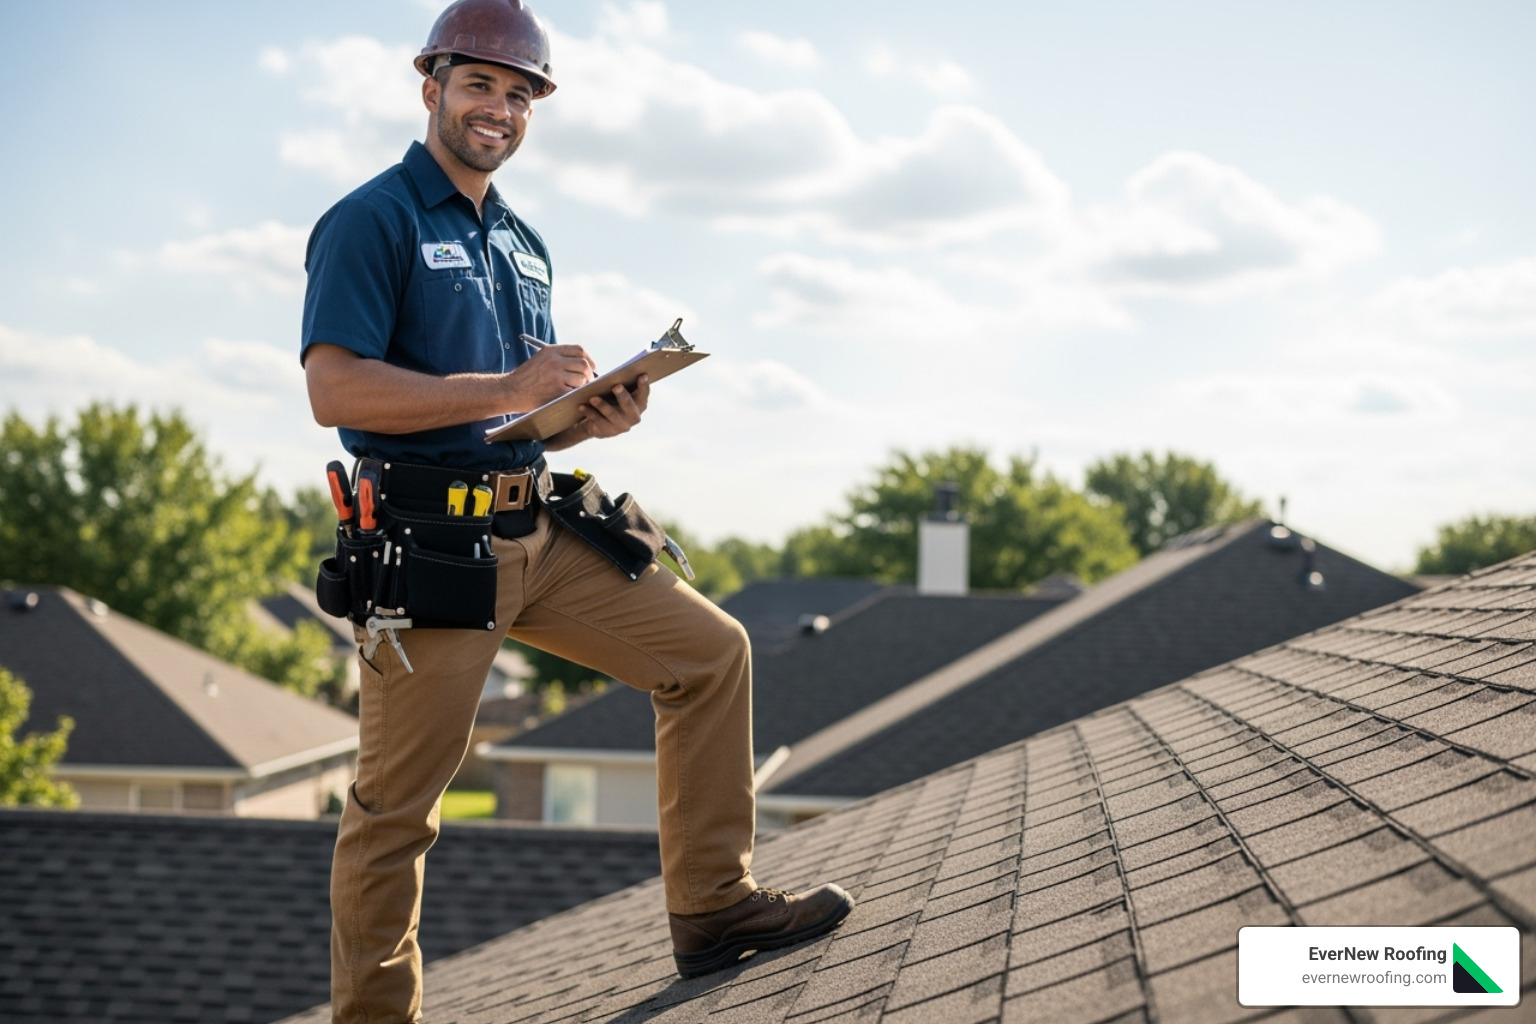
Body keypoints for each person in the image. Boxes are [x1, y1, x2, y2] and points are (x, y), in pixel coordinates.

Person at [299, 1, 853, 1020]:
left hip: (538, 526)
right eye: (480, 85)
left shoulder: (524, 242)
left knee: (711, 655)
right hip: (431, 549)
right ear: (431, 88)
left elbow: (514, 419)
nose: (499, 109)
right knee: (396, 809)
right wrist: (507, 384)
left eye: (520, 94)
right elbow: (335, 391)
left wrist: (584, 422)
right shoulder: (373, 219)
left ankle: (713, 905)